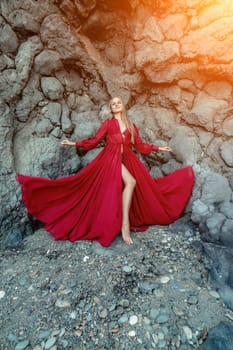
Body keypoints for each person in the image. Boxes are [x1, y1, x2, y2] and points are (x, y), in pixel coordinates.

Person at [16, 97, 195, 247]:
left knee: (139, 186)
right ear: (111, 108)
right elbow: (94, 141)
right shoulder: (108, 124)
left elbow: (140, 146)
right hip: (110, 159)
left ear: (123, 105)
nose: (116, 104)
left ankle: (125, 222)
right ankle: (124, 225)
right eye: (112, 103)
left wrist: (159, 148)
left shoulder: (132, 126)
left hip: (127, 160)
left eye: (118, 102)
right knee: (131, 182)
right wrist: (74, 143)